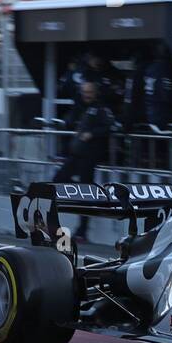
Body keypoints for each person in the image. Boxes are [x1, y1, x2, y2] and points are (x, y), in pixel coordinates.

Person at [53, 82, 114, 240]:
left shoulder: (101, 109)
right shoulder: (80, 107)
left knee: (85, 193)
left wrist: (92, 134)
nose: (86, 95)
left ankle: (82, 231)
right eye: (84, 92)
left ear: (95, 92)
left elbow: (109, 127)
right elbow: (70, 120)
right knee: (57, 180)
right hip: (75, 155)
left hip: (89, 157)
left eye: (89, 92)